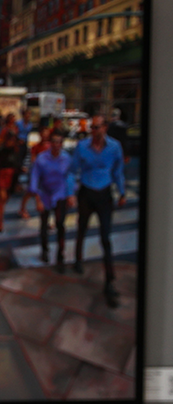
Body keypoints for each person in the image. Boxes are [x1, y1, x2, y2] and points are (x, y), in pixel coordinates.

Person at [69, 115, 126, 307]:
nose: (94, 131)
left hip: (104, 193)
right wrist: (70, 191)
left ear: (105, 128)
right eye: (92, 128)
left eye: (97, 127)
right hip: (86, 191)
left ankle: (109, 280)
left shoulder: (114, 147)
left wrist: (122, 192)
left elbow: (118, 171)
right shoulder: (82, 146)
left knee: (105, 236)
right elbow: (73, 170)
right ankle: (78, 259)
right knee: (81, 228)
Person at [29, 128, 75, 270]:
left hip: (60, 194)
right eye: (53, 142)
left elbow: (69, 176)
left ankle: (60, 253)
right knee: (44, 224)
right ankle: (45, 250)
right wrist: (37, 199)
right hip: (45, 194)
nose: (56, 145)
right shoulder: (42, 159)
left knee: (60, 223)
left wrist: (70, 194)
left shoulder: (67, 158)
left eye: (59, 142)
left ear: (62, 144)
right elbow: (35, 178)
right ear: (50, 143)